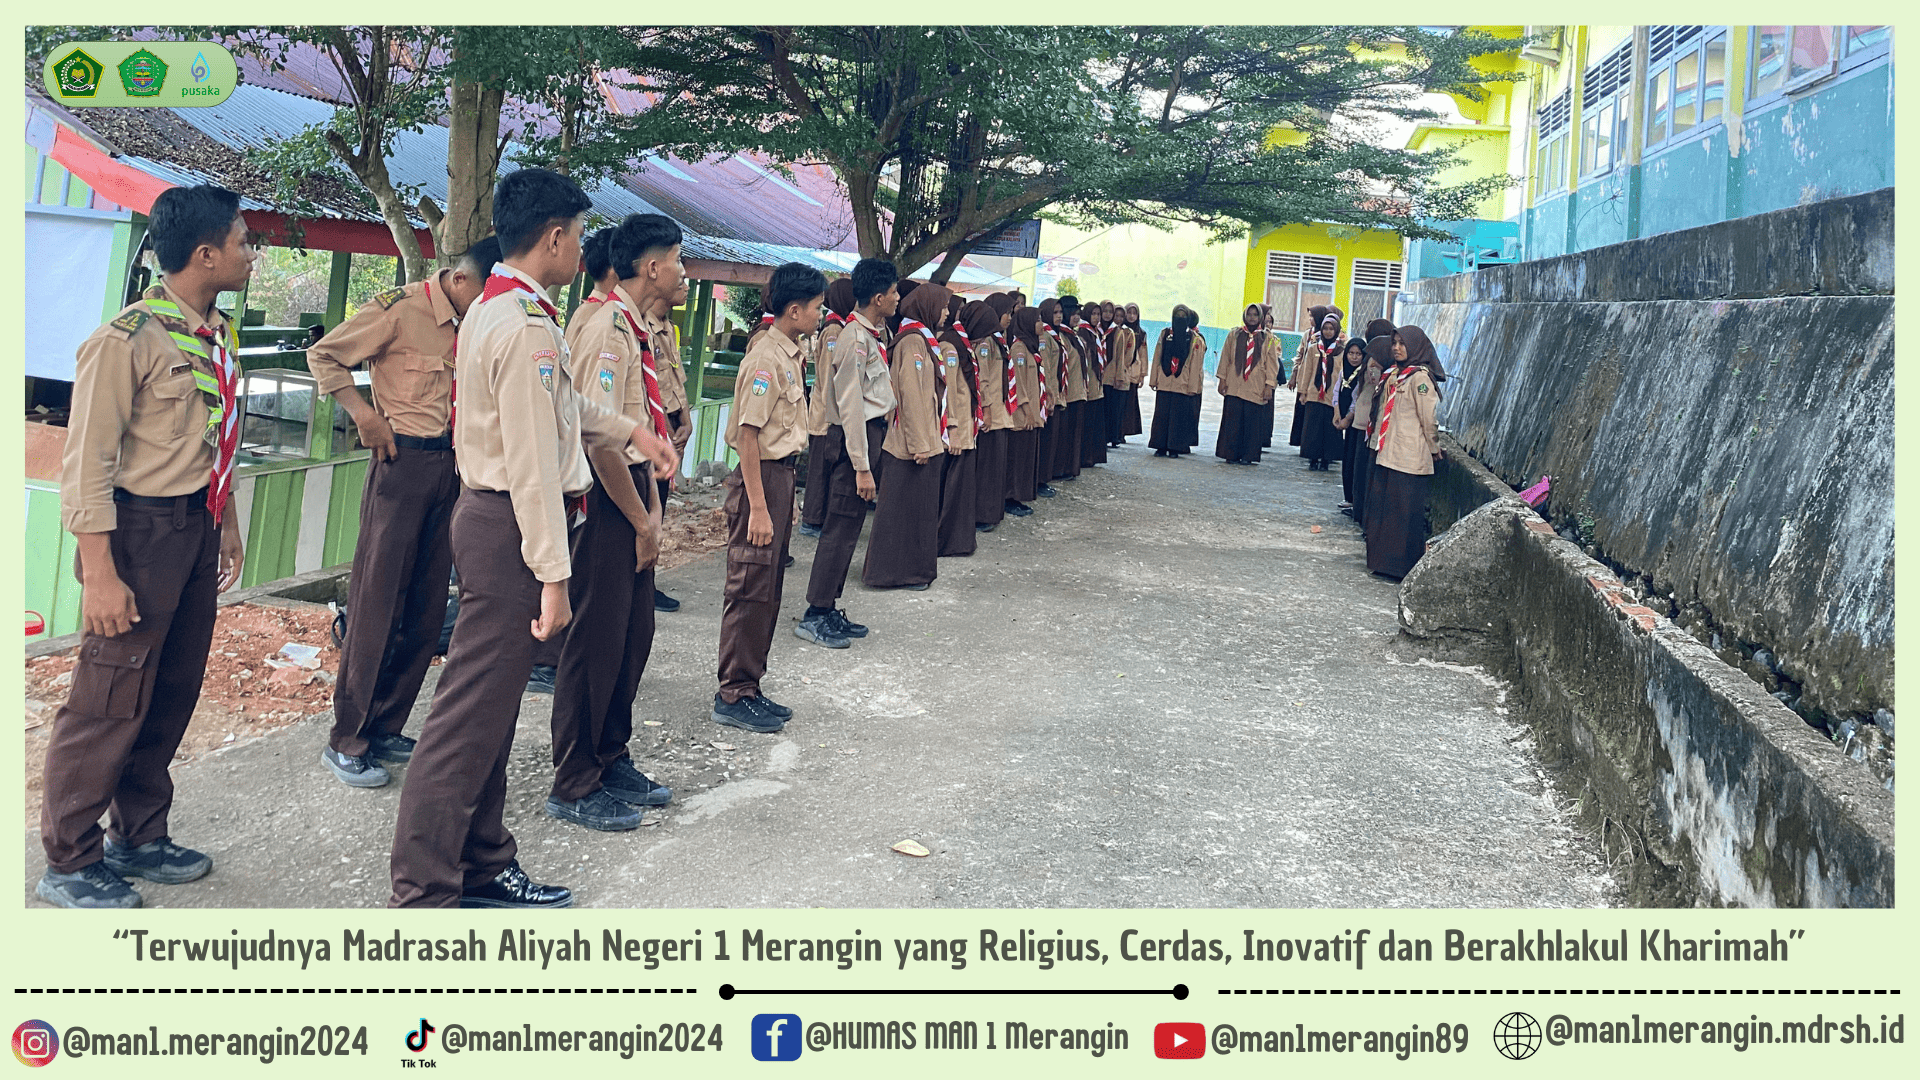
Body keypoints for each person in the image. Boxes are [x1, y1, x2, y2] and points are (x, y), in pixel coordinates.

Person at [388, 167, 677, 909]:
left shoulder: (517, 312)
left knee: (490, 713)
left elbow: (565, 407)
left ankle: (482, 863)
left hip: (505, 523)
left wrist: (633, 429)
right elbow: (530, 465)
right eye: (578, 235)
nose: (583, 249)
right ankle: (424, 890)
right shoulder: (520, 327)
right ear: (553, 237)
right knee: (465, 720)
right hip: (507, 525)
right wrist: (554, 574)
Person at [37, 184, 253, 909]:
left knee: (170, 687)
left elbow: (213, 437)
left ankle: (140, 834)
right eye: (243, 242)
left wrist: (222, 521)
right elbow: (87, 465)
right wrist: (99, 574)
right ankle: (69, 857)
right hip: (136, 533)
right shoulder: (124, 341)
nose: (249, 254)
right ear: (205, 253)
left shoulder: (214, 335)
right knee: (109, 695)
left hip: (192, 527)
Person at [312, 236, 493, 788]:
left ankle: (387, 724)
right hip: (401, 464)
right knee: (377, 602)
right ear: (460, 280)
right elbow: (325, 355)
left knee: (425, 604)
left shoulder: (476, 324)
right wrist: (365, 415)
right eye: (483, 290)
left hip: (452, 470)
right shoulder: (398, 310)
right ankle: (348, 738)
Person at [543, 212, 686, 832]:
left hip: (636, 494)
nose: (684, 271)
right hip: (607, 501)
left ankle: (611, 753)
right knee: (597, 642)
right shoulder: (606, 328)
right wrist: (641, 518)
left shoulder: (637, 328)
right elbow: (599, 439)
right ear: (651, 267)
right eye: (677, 259)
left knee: (632, 637)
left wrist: (653, 509)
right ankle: (574, 779)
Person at [710, 263, 825, 731]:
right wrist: (758, 506)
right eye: (816, 308)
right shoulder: (766, 359)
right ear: (794, 310)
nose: (820, 315)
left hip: (778, 479)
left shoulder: (790, 353)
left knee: (768, 589)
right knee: (750, 585)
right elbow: (748, 435)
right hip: (760, 479)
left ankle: (750, 684)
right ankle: (732, 692)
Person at [799, 262, 898, 648]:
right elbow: (851, 405)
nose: (896, 298)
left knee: (850, 528)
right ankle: (815, 612)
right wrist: (861, 466)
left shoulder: (872, 335)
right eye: (893, 292)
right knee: (839, 530)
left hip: (869, 437)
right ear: (877, 298)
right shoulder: (854, 338)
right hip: (854, 440)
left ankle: (828, 606)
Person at [862, 282, 951, 590]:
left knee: (916, 512)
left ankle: (909, 570)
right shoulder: (913, 343)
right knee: (903, 512)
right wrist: (920, 444)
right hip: (910, 445)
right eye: (943, 307)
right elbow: (911, 398)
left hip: (922, 439)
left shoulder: (924, 340)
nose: (947, 313)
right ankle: (894, 573)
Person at [1363, 326, 1445, 580]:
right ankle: (1383, 562)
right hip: (1388, 453)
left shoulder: (1420, 379)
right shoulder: (1395, 374)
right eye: (1394, 343)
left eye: (1402, 344)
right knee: (1386, 511)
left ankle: (1399, 566)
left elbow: (1427, 418)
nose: (1396, 348)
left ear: (1416, 347)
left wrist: (1433, 448)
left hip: (1409, 458)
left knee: (1403, 514)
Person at [640, 259, 694, 617]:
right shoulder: (640, 327)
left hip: (670, 427)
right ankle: (640, 584)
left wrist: (685, 421)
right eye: (682, 277)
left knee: (657, 508)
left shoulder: (668, 329)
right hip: (647, 434)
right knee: (644, 511)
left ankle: (647, 584)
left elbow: (675, 380)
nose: (686, 284)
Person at [798, 281, 854, 538]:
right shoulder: (833, 331)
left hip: (831, 413)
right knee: (820, 469)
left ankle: (817, 517)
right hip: (825, 416)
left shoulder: (840, 327)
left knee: (826, 469)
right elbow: (829, 376)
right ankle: (812, 520)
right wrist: (836, 415)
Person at [935, 303, 982, 556]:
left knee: (961, 488)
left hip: (966, 425)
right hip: (955, 430)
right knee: (950, 489)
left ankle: (959, 540)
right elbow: (948, 391)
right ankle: (946, 541)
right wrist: (951, 428)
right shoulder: (950, 346)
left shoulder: (963, 344)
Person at [1214, 303, 1282, 465]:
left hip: (1255, 386)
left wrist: (1269, 386)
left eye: (1255, 315)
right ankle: (1230, 453)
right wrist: (1222, 379)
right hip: (1234, 384)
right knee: (1233, 421)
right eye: (1249, 314)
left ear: (1260, 318)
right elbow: (1225, 358)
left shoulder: (1268, 338)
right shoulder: (1234, 335)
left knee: (1251, 423)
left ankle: (1248, 455)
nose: (1252, 318)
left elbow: (1272, 365)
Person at [969, 299, 1013, 529]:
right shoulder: (985, 344)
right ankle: (981, 515)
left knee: (996, 469)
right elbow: (982, 379)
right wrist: (985, 409)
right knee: (986, 470)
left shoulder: (999, 341)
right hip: (991, 415)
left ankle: (992, 513)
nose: (1009, 318)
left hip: (1001, 413)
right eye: (1006, 313)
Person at [1148, 305, 1207, 457]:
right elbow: (1157, 357)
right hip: (1164, 381)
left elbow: (1196, 365)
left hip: (1183, 383)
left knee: (1178, 418)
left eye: (1183, 317)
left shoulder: (1194, 339)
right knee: (1161, 416)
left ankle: (1175, 447)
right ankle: (1160, 445)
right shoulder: (1165, 334)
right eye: (1177, 316)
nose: (1180, 320)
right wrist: (1154, 379)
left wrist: (1192, 387)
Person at [1004, 304, 1046, 514]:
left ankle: (1020, 495)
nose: (1041, 324)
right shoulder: (1018, 350)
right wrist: (1029, 411)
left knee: (1026, 457)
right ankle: (1011, 498)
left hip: (1033, 413)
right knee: (1017, 459)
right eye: (1037, 320)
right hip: (1022, 416)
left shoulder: (1031, 347)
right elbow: (1018, 385)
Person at [1293, 312, 1344, 470]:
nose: (1328, 331)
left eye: (1331, 329)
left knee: (1329, 428)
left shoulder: (1341, 351)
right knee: (1313, 428)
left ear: (1336, 331)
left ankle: (1326, 460)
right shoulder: (1314, 348)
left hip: (1331, 396)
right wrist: (1302, 392)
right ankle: (1313, 458)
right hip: (1314, 394)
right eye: (1326, 328)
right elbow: (1306, 371)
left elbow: (1342, 374)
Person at [1333, 336, 1368, 513]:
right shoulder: (1343, 372)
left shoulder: (1364, 374)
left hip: (1357, 422)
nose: (1354, 357)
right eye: (1351, 353)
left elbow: (1358, 399)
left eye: (1358, 354)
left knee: (1354, 460)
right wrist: (1337, 412)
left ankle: (1354, 499)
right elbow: (1337, 392)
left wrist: (1347, 418)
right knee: (1347, 459)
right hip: (1345, 418)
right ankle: (1348, 497)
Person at [1076, 299, 1108, 468]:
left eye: (1098, 314)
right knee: (1086, 424)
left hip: (1097, 384)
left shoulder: (1096, 333)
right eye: (1093, 314)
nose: (1096, 317)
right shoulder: (1083, 333)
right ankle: (1084, 457)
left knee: (1094, 422)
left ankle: (1091, 456)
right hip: (1088, 384)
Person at [1120, 303, 1148, 439]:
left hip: (1133, 373)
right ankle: (1117, 432)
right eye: (1129, 312)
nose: (1131, 316)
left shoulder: (1141, 334)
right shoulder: (1119, 330)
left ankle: (1126, 431)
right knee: (1119, 402)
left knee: (1129, 404)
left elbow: (1143, 355)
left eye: (1134, 313)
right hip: (1120, 371)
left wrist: (1142, 375)